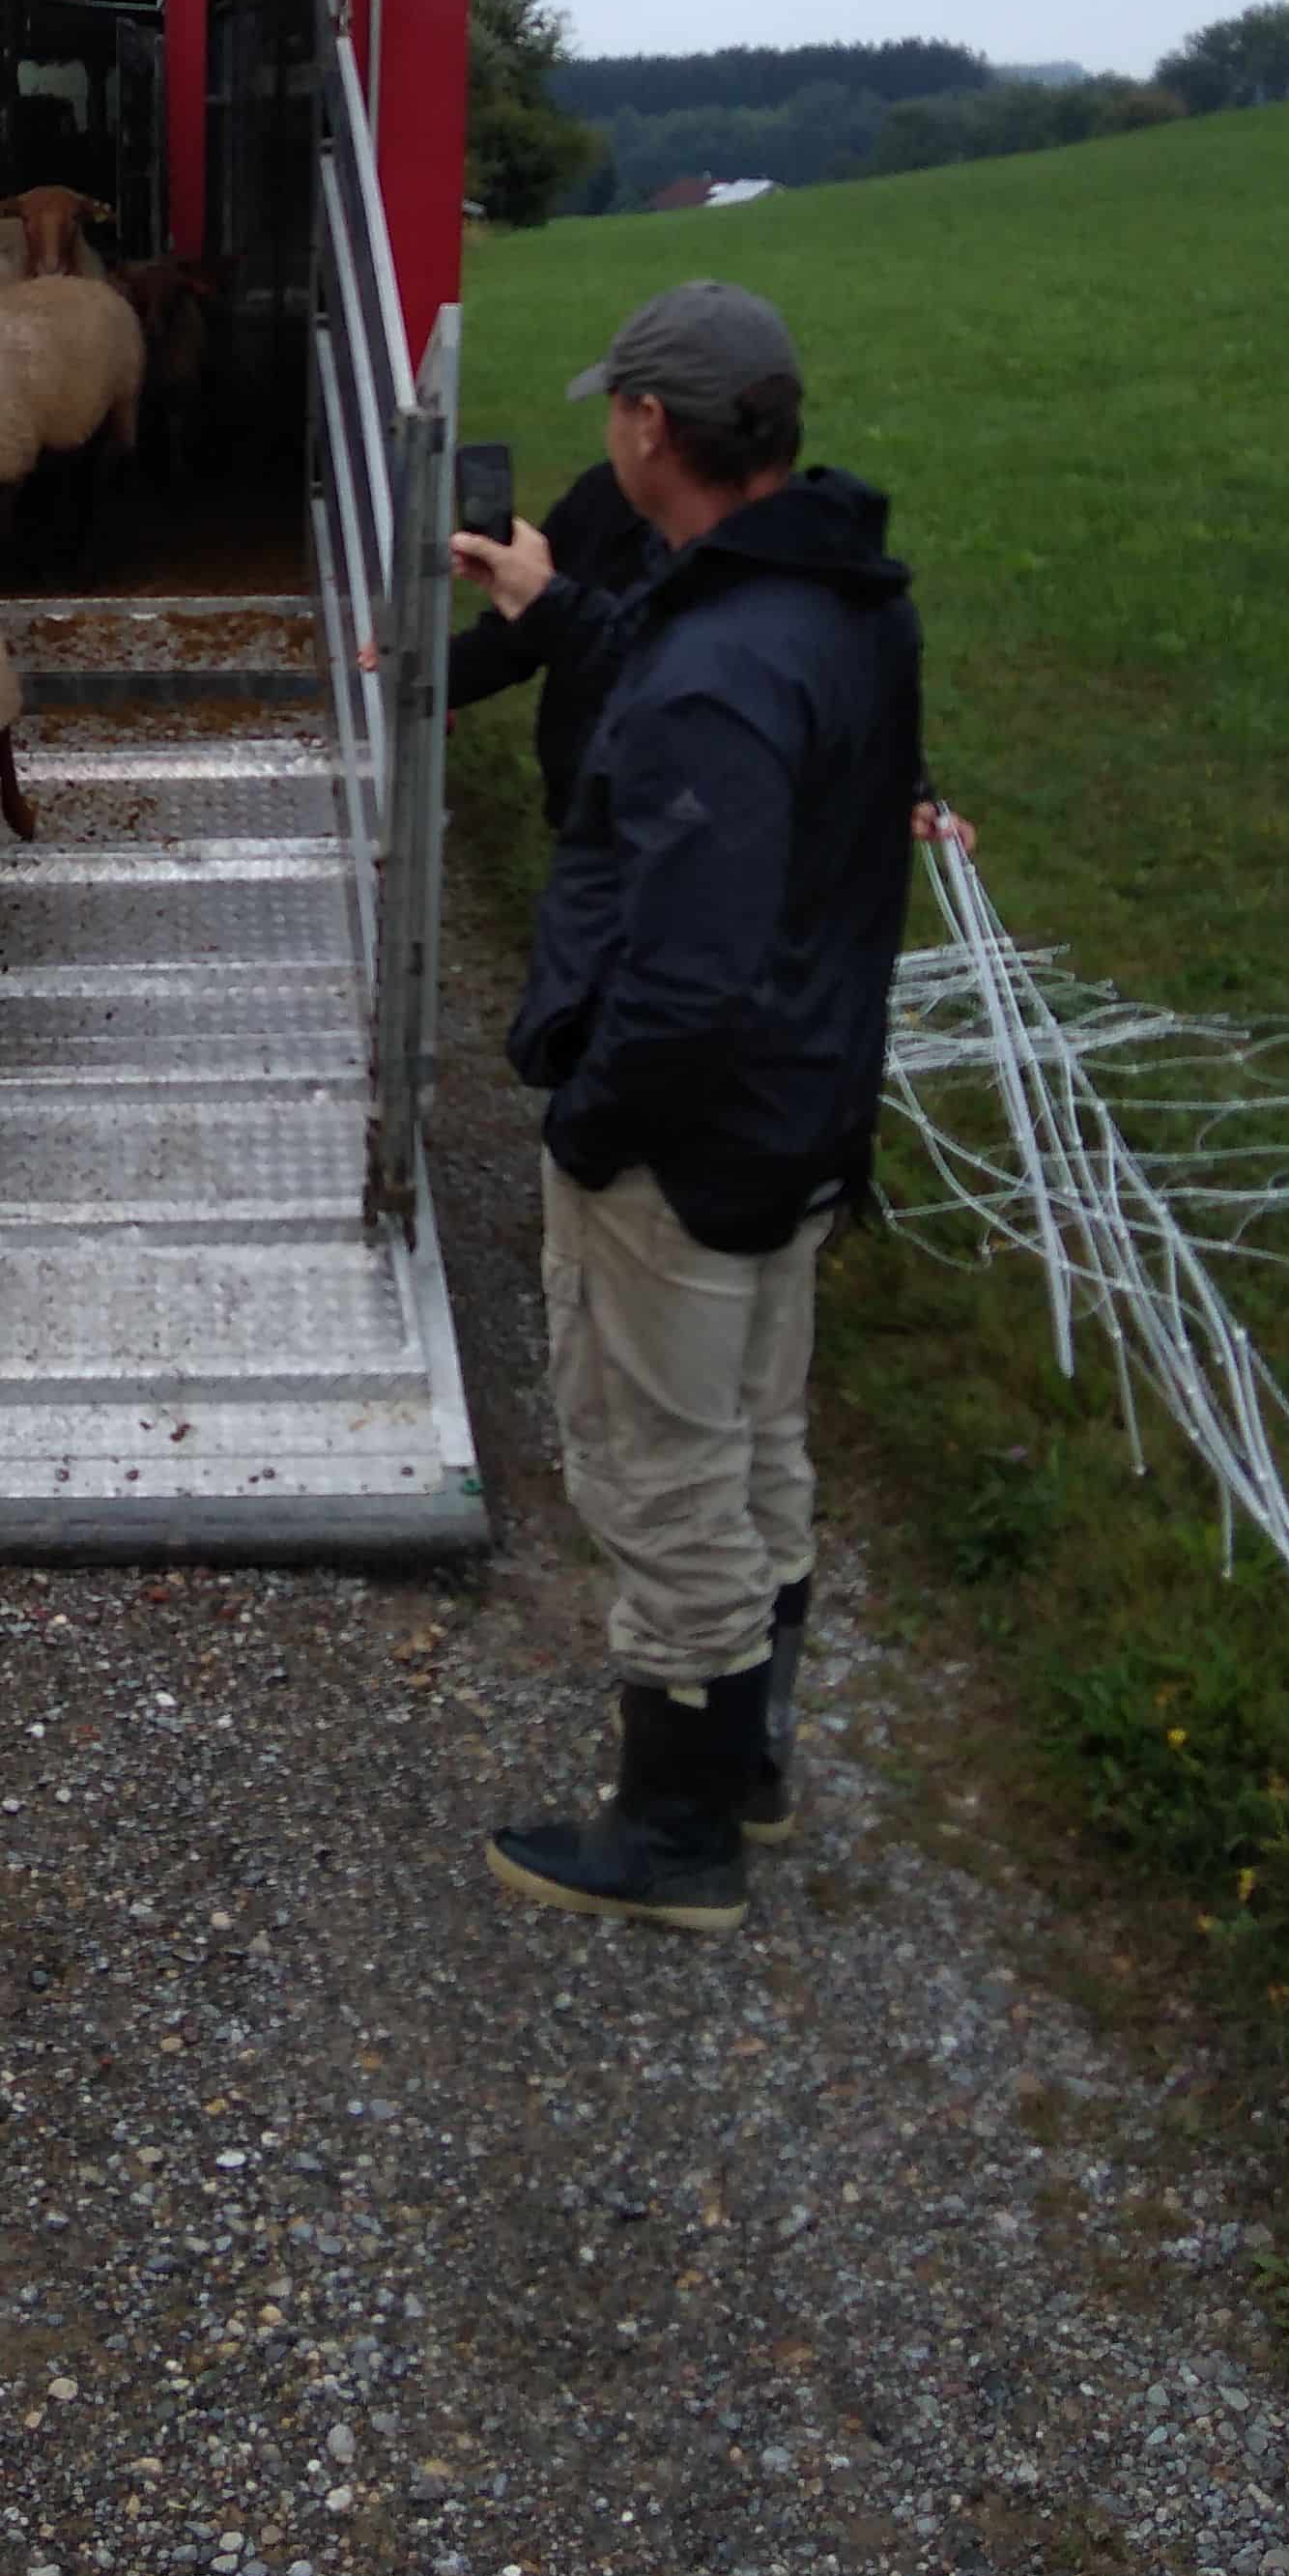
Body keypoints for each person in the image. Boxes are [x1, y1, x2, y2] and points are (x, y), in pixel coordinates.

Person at [447, 279, 949, 1937]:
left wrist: (590, 1125)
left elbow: (688, 972)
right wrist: (546, 602)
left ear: (650, 429)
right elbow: (718, 703)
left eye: (617, 408)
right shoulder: (830, 601)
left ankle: (676, 1837)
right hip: (803, 1111)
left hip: (686, 1145)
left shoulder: (716, 670)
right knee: (753, 1441)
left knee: (660, 1471)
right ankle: (751, 1762)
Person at [445, 458, 661, 825]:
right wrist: (427, 672)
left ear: (649, 421)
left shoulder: (741, 560)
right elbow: (517, 639)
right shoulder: (606, 492)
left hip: (653, 822)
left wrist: (548, 602)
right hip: (582, 807)